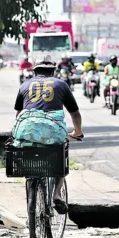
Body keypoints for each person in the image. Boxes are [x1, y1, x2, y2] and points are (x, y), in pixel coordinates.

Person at [13, 57, 83, 214]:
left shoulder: (24, 85)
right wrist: (77, 131)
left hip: (27, 129)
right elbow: (75, 113)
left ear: (35, 71)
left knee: (26, 151)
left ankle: (31, 189)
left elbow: (18, 114)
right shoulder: (61, 84)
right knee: (61, 153)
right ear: (53, 71)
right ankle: (57, 194)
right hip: (52, 131)